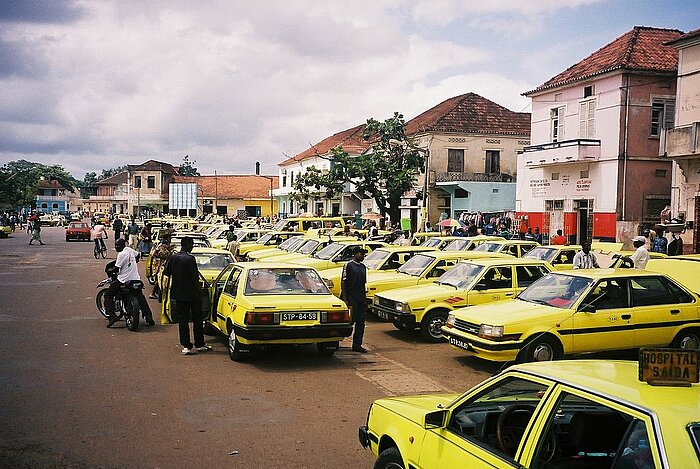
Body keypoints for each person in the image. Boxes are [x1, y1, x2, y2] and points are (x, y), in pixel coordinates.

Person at [162, 236, 211, 355]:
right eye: (192, 244)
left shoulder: (173, 257)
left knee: (182, 321)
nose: (193, 246)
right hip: (192, 294)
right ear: (187, 244)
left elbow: (166, 273)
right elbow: (195, 278)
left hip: (178, 294)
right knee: (197, 320)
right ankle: (199, 344)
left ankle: (186, 346)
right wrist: (200, 292)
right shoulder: (190, 259)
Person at [105, 238, 154, 327]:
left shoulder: (121, 254)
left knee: (108, 294)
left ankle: (111, 316)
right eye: (115, 245)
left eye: (118, 245)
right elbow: (137, 255)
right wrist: (134, 261)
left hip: (123, 280)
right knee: (140, 296)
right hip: (136, 279)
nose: (116, 247)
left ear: (123, 245)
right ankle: (148, 316)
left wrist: (110, 271)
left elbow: (116, 268)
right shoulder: (129, 250)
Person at [340, 246, 369, 353]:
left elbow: (363, 283)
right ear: (355, 254)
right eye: (361, 254)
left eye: (363, 254)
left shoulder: (363, 267)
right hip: (351, 298)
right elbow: (343, 282)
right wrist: (345, 299)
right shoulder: (348, 265)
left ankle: (357, 345)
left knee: (360, 323)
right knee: (349, 322)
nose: (362, 256)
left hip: (361, 298)